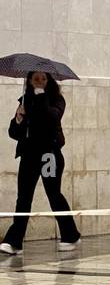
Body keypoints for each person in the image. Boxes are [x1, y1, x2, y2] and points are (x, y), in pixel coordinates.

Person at [0, 72, 81, 255]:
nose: (40, 82)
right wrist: (18, 120)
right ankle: (14, 241)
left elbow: (52, 118)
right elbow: (14, 133)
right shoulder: (24, 101)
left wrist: (41, 95)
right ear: (29, 80)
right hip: (29, 154)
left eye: (43, 79)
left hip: (49, 154)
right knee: (24, 197)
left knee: (54, 194)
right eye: (36, 79)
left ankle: (71, 235)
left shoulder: (56, 99)